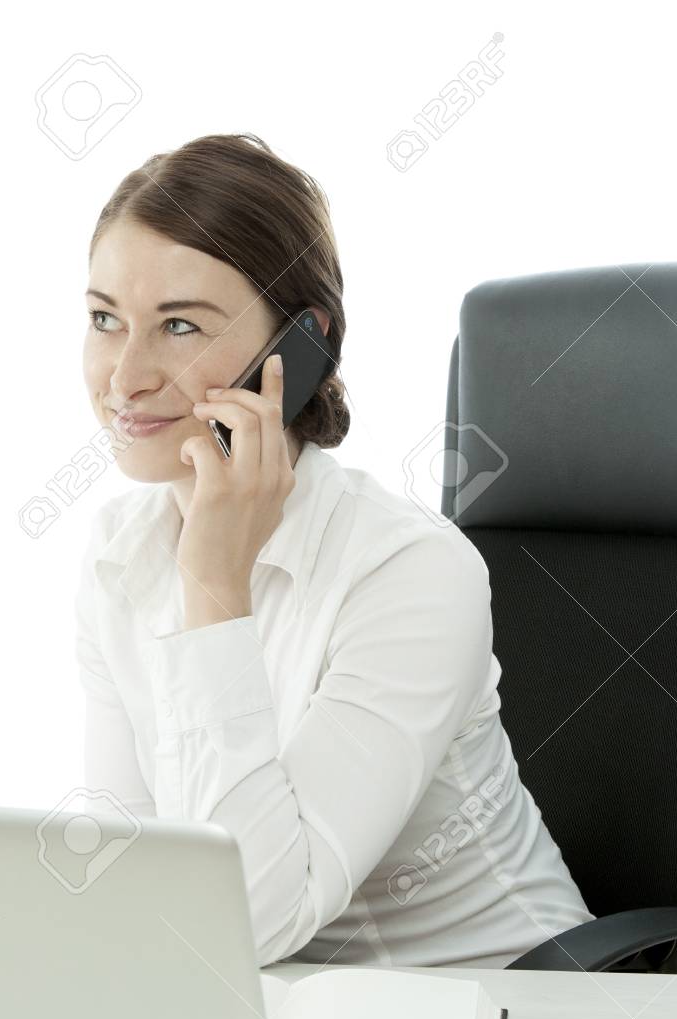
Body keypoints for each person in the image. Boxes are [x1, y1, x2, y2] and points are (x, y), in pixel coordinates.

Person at [75, 132, 593, 967]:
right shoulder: (119, 556)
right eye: (105, 319)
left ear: (299, 345)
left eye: (179, 325)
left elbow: (251, 919)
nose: (125, 376)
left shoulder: (409, 571)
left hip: (507, 1012)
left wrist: (214, 586)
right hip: (287, 1018)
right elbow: (129, 873)